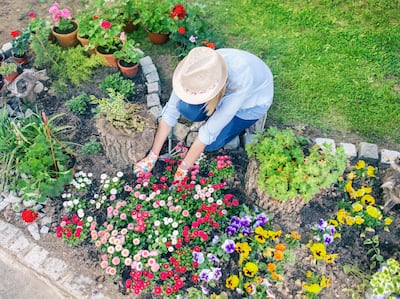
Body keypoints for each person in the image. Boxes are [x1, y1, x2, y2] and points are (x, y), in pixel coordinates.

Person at [133, 46, 274, 181]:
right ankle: (212, 113)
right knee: (186, 108)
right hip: (219, 91)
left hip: (249, 106)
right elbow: (170, 112)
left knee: (212, 144)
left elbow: (207, 134)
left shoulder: (239, 84)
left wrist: (182, 169)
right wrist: (153, 155)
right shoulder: (193, 71)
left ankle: (233, 125)